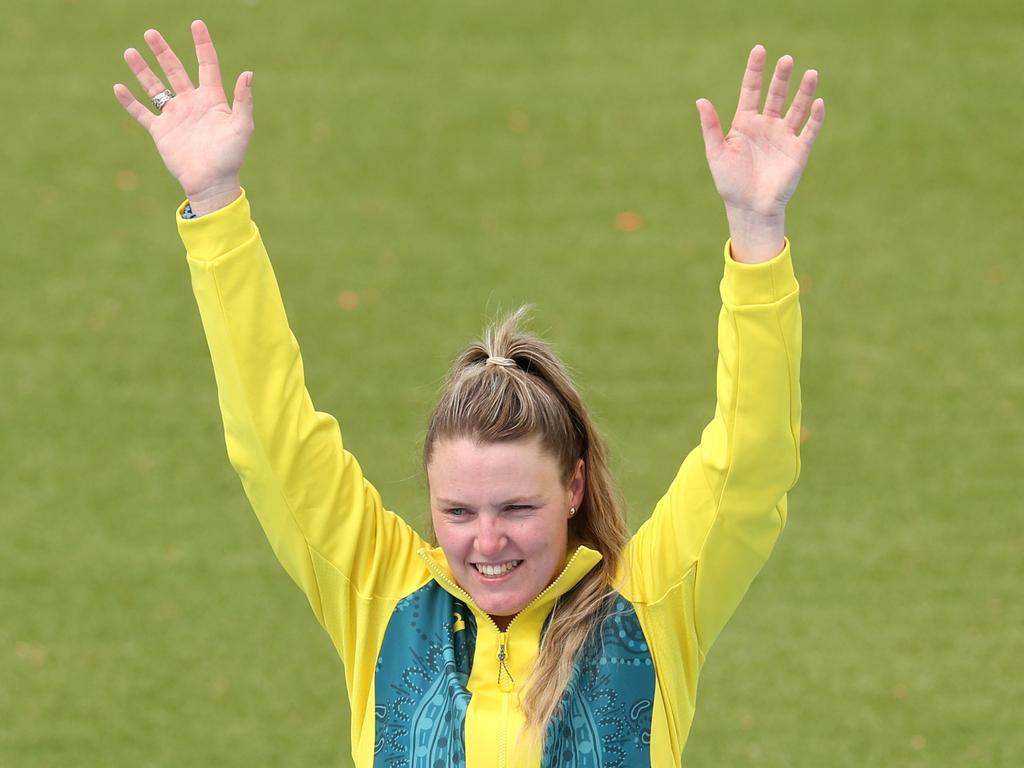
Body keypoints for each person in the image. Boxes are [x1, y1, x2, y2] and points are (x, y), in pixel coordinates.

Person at [114, 20, 823, 767]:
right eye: (458, 512)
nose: (486, 544)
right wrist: (216, 205)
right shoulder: (382, 595)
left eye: (517, 508)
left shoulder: (649, 609)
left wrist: (756, 230)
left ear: (574, 485)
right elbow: (271, 439)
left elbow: (749, 465)